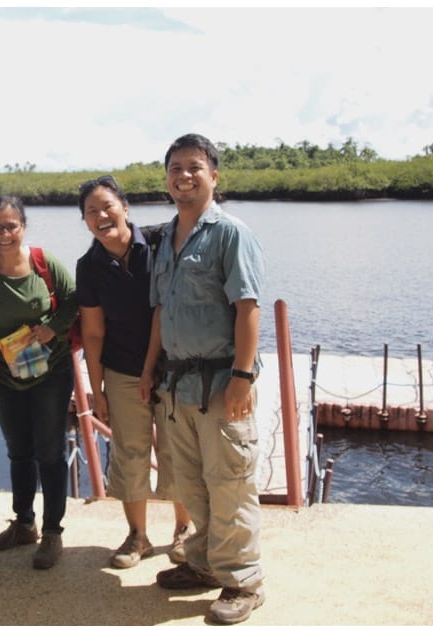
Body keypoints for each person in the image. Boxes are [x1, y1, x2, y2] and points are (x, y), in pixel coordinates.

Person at [141, 133, 265, 625]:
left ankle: (243, 580)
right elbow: (159, 312)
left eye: (194, 167)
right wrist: (150, 368)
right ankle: (206, 563)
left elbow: (248, 308)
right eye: (175, 167)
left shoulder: (230, 233)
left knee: (230, 483)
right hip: (177, 386)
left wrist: (243, 377)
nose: (183, 176)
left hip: (219, 383)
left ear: (214, 176)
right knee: (192, 486)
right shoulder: (166, 239)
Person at [75, 175, 193, 570]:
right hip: (122, 369)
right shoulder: (89, 266)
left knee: (177, 449)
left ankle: (183, 530)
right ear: (86, 222)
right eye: (91, 212)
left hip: (172, 366)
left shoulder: (161, 243)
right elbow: (93, 332)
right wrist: (98, 390)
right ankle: (137, 536)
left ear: (126, 207)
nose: (101, 216)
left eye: (107, 206)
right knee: (129, 453)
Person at [0, 195, 77, 570]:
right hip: (7, 375)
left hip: (51, 373)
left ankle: (53, 532)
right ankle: (24, 524)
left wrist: (52, 329)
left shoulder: (43, 262)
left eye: (11, 226)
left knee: (49, 453)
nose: (4, 234)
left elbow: (72, 300)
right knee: (18, 451)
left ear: (23, 227)